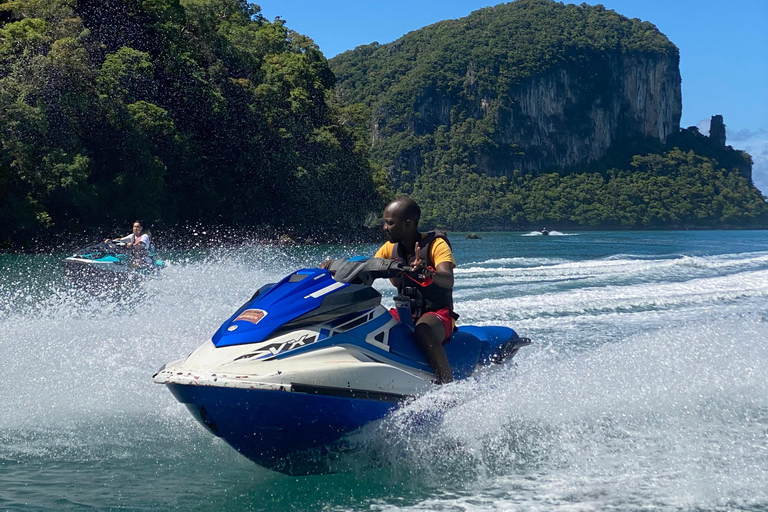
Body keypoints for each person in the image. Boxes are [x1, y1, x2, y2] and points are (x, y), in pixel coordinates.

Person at [373, 197, 457, 384]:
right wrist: (336, 268)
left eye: (390, 223)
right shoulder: (389, 248)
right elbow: (370, 266)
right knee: (373, 321)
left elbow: (448, 279)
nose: (385, 228)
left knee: (423, 330)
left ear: (408, 223)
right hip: (405, 313)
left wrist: (427, 272)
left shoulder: (436, 244)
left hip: (437, 314)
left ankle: (447, 386)